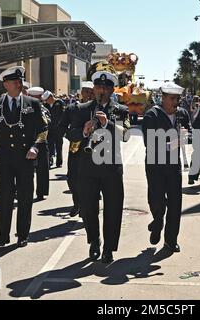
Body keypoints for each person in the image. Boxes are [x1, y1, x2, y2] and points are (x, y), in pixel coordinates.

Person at [67, 64, 130, 263]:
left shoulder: (121, 110)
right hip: (87, 168)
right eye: (98, 87)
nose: (101, 91)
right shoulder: (82, 109)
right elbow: (70, 133)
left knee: (113, 209)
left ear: (112, 90)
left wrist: (107, 124)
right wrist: (84, 132)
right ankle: (94, 241)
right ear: (93, 89)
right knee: (88, 208)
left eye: (105, 88)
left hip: (111, 168)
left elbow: (126, 135)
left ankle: (109, 249)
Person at [0, 66, 48, 248]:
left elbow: (43, 130)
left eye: (20, 82)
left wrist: (35, 147)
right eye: (15, 82)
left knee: (25, 197)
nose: (19, 84)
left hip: (25, 158)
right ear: (6, 85)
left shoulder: (32, 104)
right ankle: (3, 235)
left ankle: (22, 234)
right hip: (4, 159)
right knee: (4, 196)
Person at [142, 82, 186, 253]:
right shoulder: (152, 115)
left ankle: (171, 240)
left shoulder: (182, 114)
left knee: (175, 203)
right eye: (173, 99)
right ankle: (158, 221)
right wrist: (175, 142)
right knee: (157, 199)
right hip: (155, 165)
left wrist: (187, 136)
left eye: (178, 99)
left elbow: (188, 134)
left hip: (174, 165)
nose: (176, 102)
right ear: (164, 98)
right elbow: (150, 142)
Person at [28, 87, 51, 201]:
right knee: (27, 169)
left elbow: (47, 124)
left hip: (41, 140)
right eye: (39, 97)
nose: (41, 99)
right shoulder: (25, 108)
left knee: (42, 168)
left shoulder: (43, 109)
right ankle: (25, 191)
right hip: (28, 141)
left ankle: (41, 192)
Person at [43, 91, 66, 168]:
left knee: (59, 146)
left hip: (58, 129)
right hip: (49, 129)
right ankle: (49, 160)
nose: (46, 101)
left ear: (51, 97)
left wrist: (63, 127)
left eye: (47, 99)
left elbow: (63, 116)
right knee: (49, 145)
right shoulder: (45, 105)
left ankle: (59, 162)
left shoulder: (59, 103)